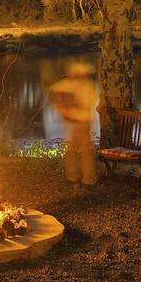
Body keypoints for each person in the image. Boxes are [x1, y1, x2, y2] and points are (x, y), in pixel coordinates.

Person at [49, 62, 98, 190]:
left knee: (84, 152)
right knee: (72, 151)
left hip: (83, 123)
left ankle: (86, 179)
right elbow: (55, 89)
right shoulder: (72, 85)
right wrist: (62, 107)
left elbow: (86, 104)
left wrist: (68, 109)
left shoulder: (87, 87)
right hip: (73, 123)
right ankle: (75, 178)